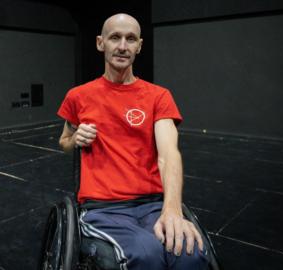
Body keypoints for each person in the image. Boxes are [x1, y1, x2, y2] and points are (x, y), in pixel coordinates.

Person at [57, 13, 209, 270]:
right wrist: (75, 139)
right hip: (103, 208)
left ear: (139, 45)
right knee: (145, 254)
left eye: (130, 39)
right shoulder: (78, 96)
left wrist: (172, 211)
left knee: (189, 255)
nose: (123, 46)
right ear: (100, 43)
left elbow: (169, 154)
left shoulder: (158, 96)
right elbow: (64, 142)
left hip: (152, 204)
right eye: (115, 37)